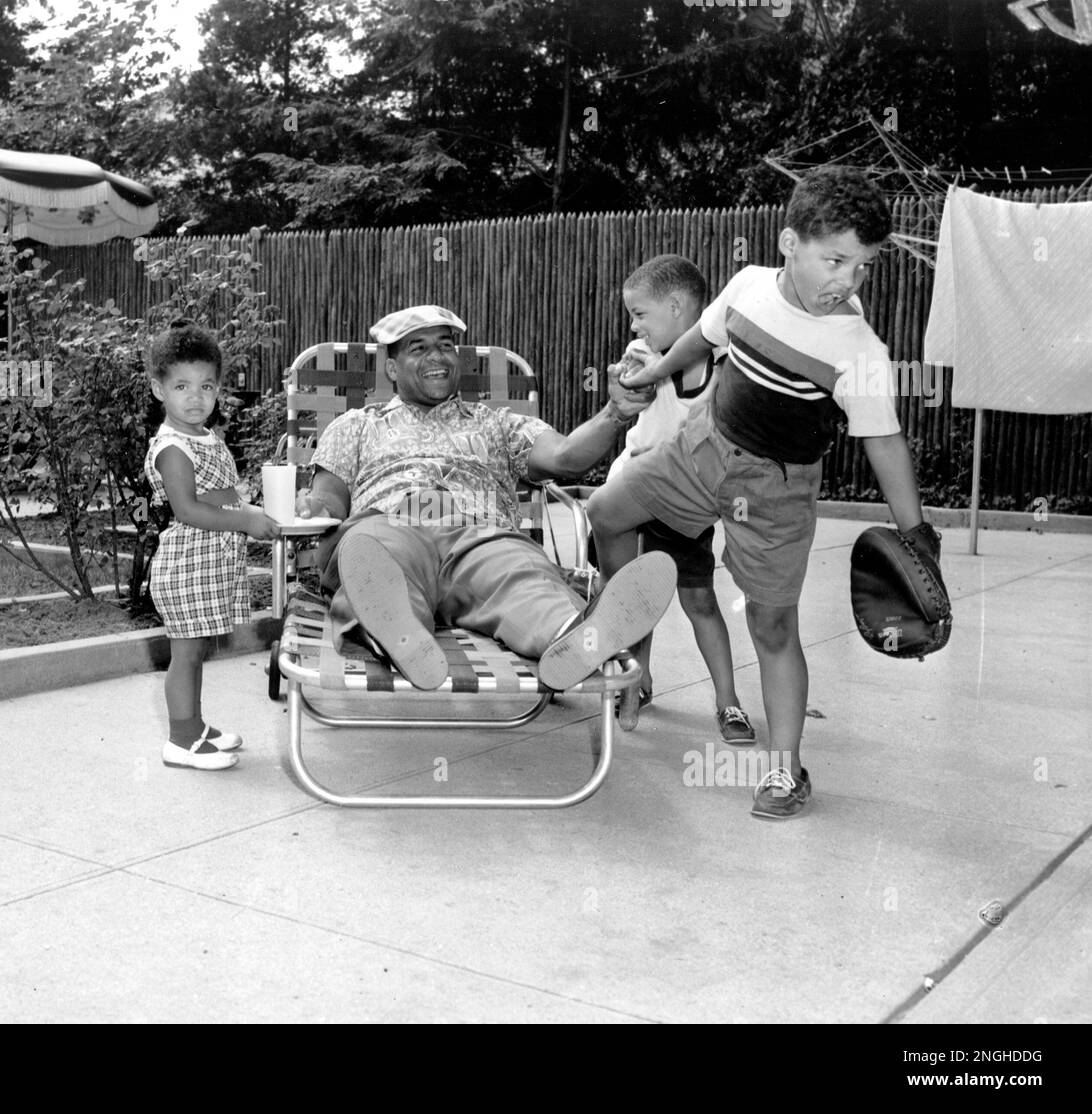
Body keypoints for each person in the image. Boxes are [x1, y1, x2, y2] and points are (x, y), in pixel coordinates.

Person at [591, 167, 935, 819]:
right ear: (788, 243)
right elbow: (705, 335)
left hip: (777, 489)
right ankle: (625, 627)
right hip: (702, 447)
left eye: (863, 267)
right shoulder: (748, 288)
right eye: (835, 260)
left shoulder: (857, 349)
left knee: (771, 625)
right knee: (606, 511)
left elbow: (884, 442)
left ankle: (785, 771)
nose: (848, 280)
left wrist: (917, 536)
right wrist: (655, 375)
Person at [293, 304, 678, 694]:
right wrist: (314, 508)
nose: (436, 356)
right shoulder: (356, 426)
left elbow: (565, 457)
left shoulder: (497, 423)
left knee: (520, 569)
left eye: (445, 345)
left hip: (479, 534)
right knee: (374, 555)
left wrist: (615, 412)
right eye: (419, 348)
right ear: (392, 369)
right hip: (394, 523)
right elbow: (329, 500)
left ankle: (576, 636)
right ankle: (399, 634)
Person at [598, 254, 755, 740]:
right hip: (630, 493)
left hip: (684, 500)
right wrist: (627, 382)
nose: (634, 325)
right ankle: (634, 681)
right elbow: (625, 395)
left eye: (641, 314)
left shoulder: (723, 366)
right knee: (631, 598)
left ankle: (728, 701)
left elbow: (707, 427)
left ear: (678, 307)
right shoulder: (642, 354)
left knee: (699, 599)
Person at [144, 321, 280, 770]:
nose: (195, 397)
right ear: (158, 389)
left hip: (209, 564)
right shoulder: (172, 447)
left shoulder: (205, 437)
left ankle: (196, 726)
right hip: (186, 565)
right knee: (185, 654)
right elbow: (187, 510)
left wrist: (260, 508)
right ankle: (179, 741)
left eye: (206, 386)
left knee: (197, 649)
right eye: (181, 385)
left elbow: (221, 494)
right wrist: (245, 519)